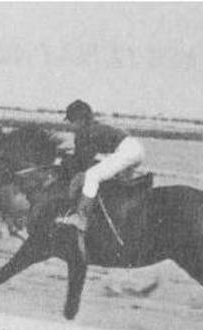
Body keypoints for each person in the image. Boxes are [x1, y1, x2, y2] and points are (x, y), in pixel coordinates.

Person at [61, 100, 146, 248]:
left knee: (91, 176)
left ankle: (81, 217)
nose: (70, 126)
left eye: (71, 121)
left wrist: (64, 162)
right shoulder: (94, 127)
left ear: (80, 120)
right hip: (135, 149)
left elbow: (83, 163)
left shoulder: (84, 133)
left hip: (127, 151)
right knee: (105, 175)